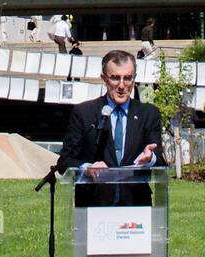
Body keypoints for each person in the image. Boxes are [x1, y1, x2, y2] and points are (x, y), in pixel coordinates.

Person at [58, 50, 165, 206]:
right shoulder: (84, 113)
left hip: (135, 206)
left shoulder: (148, 114)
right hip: (94, 203)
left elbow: (160, 160)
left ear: (134, 79)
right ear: (104, 78)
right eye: (115, 78)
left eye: (127, 78)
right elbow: (65, 161)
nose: (122, 85)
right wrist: (88, 168)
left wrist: (150, 158)